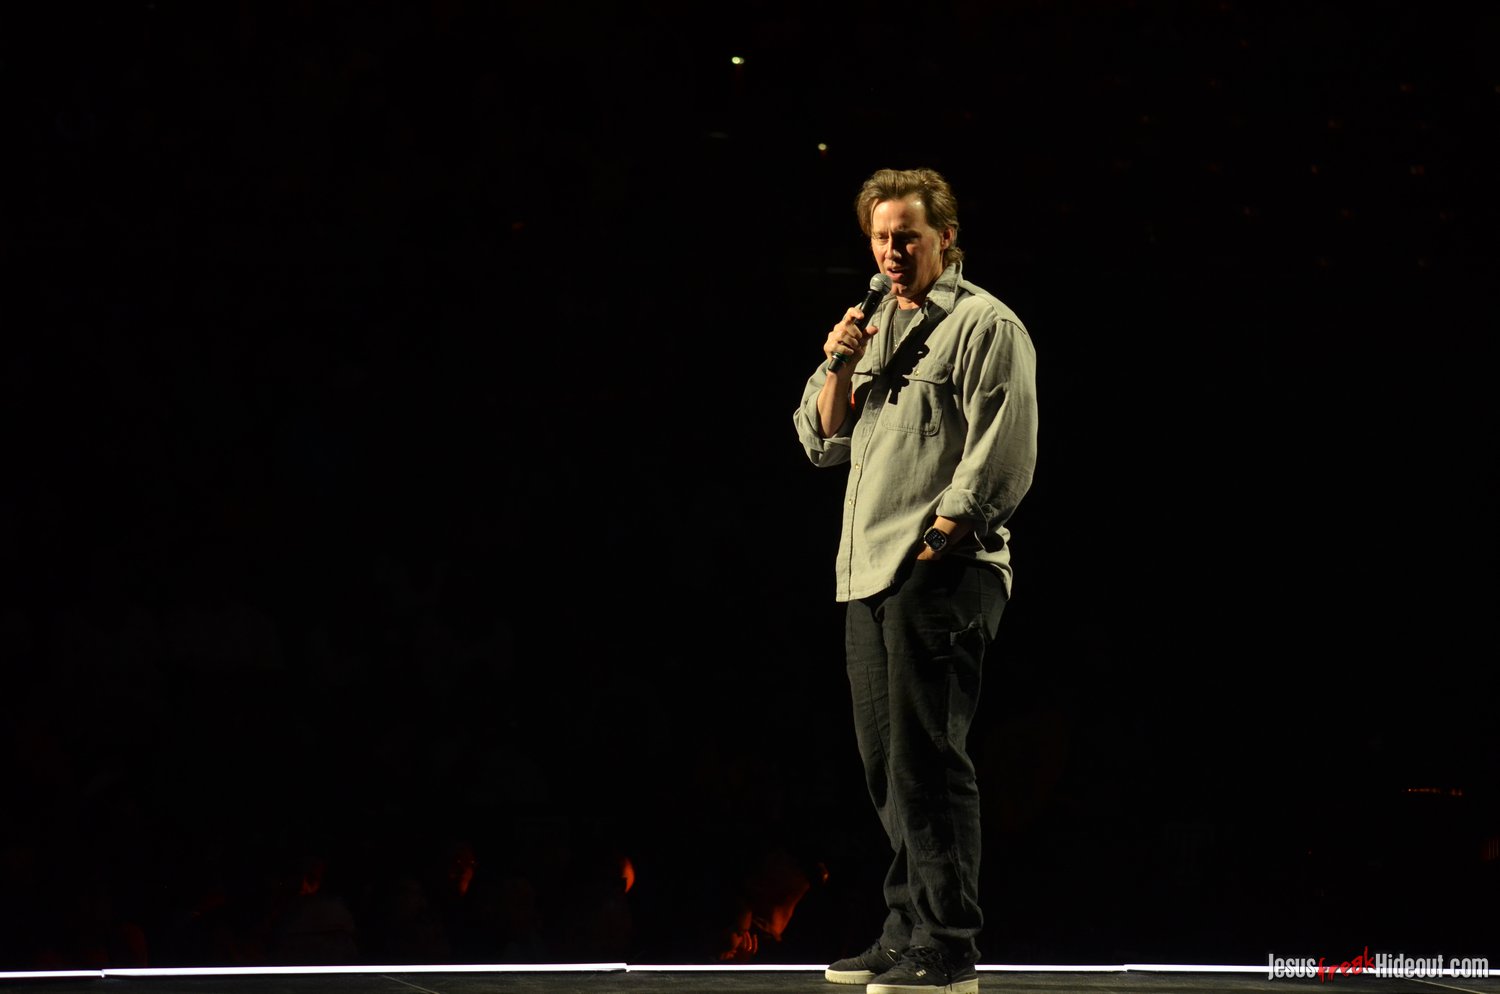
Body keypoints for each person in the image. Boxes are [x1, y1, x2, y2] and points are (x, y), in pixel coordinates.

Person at [793, 167, 1038, 994]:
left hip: (940, 569)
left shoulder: (985, 325)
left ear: (945, 239)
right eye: (880, 237)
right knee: (885, 764)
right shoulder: (867, 328)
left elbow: (1005, 444)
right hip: (864, 574)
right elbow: (819, 440)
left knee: (928, 759)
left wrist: (942, 536)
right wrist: (838, 364)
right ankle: (906, 930)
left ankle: (948, 943)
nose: (891, 252)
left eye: (907, 236)